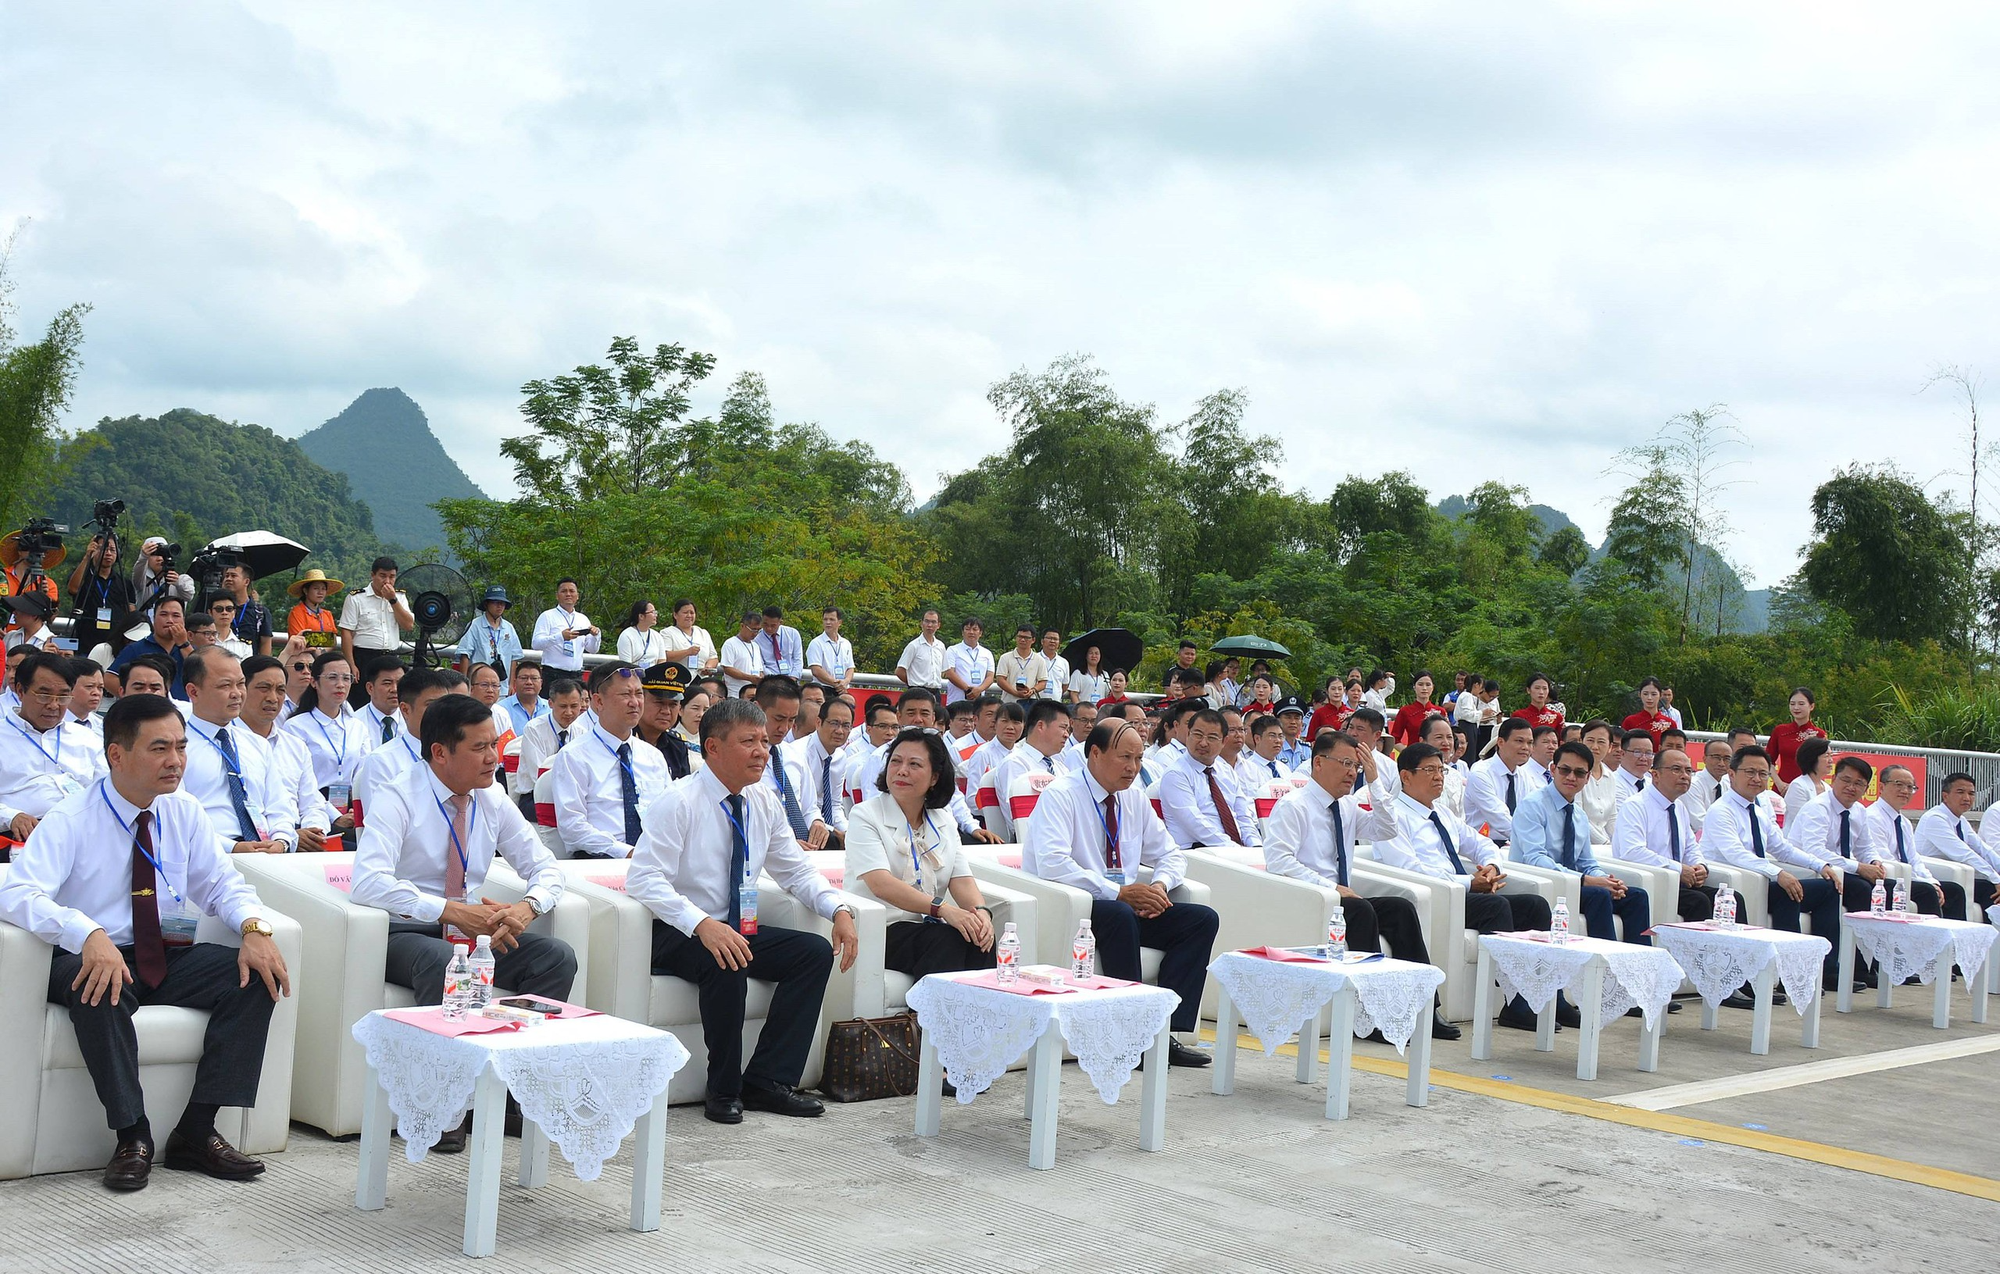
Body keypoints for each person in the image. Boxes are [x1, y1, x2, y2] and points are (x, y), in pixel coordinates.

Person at [0, 693, 291, 1191]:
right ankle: (132, 1136)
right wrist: (84, 931)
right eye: (159, 748)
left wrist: (254, 928)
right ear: (116, 754)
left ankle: (197, 1133)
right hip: (91, 954)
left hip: (166, 951)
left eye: (180, 747)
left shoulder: (185, 811)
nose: (175, 760)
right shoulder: (73, 817)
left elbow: (221, 885)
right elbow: (14, 891)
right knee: (100, 985)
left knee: (254, 977)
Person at [352, 692, 578, 1150]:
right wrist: (452, 911)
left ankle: (516, 1096)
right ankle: (443, 1105)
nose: (494, 757)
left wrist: (525, 908)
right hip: (407, 931)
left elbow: (547, 866)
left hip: (474, 932)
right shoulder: (399, 796)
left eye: (494, 744)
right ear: (440, 752)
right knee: (442, 961)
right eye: (479, 747)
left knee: (555, 957)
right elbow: (367, 883)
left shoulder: (491, 797)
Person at [627, 696, 859, 1124]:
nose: (761, 751)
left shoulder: (762, 801)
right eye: (748, 741)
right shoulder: (679, 801)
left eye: (765, 742)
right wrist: (702, 924)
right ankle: (724, 1089)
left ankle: (768, 1081)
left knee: (810, 953)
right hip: (679, 930)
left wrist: (838, 909)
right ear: (712, 747)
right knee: (727, 959)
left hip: (738, 924)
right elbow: (643, 879)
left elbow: (795, 871)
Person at [1022, 717, 1219, 1067]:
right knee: (1119, 914)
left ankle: (1163, 1033)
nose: (1133, 768)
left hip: (1124, 904)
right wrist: (1119, 892)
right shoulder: (1061, 795)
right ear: (1095, 753)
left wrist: (1158, 887)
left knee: (1200, 920)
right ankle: (1127, 1035)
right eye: (1125, 758)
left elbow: (1170, 853)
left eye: (1139, 759)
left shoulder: (1134, 799)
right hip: (1076, 907)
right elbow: (1052, 864)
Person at [1262, 730, 1460, 1040]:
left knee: (1400, 908)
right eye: (1345, 763)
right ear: (1318, 763)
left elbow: (1386, 827)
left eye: (1355, 765)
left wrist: (1374, 781)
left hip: (1343, 899)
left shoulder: (1347, 805)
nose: (1351, 771)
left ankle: (1423, 1007)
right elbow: (1279, 862)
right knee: (1362, 909)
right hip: (1310, 899)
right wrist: (1329, 888)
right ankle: (1373, 1015)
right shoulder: (1294, 806)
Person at [1366, 742, 1554, 1031]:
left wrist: (1492, 868)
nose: (1438, 776)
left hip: (1461, 892)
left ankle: (1532, 998)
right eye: (1429, 770)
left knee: (1534, 905)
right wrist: (1468, 883)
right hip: (1432, 896)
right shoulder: (1393, 816)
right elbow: (1410, 869)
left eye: (1441, 769)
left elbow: (1481, 843)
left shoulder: (1441, 813)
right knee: (1496, 906)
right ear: (1405, 776)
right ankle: (1514, 1001)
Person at [847, 728, 997, 977]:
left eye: (914, 764)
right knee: (945, 940)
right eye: (896, 761)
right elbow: (880, 884)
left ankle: (982, 1015)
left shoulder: (944, 820)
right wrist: (943, 909)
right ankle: (926, 1016)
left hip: (929, 926)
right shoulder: (865, 815)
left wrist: (981, 915)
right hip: (882, 927)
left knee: (980, 940)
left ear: (935, 777)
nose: (902, 770)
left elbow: (961, 880)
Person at [1699, 745, 1846, 989]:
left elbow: (1782, 848)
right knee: (1788, 893)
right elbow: (1735, 854)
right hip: (1735, 884)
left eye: (1763, 774)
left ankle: (1827, 971)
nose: (1757, 779)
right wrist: (1779, 873)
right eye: (1750, 772)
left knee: (1828, 889)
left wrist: (1820, 865)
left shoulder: (1757, 811)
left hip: (1762, 881)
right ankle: (1788, 975)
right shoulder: (1720, 811)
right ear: (1732, 775)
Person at [1513, 741, 1652, 947]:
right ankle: (1605, 963)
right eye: (1565, 770)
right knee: (1597, 894)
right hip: (1542, 884)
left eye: (1579, 773)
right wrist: (1586, 881)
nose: (1571, 777)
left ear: (1588, 778)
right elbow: (1535, 859)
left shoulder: (1578, 814)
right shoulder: (1533, 805)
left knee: (1636, 896)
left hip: (1574, 884)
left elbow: (1587, 862)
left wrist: (1607, 880)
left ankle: (1638, 966)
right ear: (1553, 769)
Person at [177, 648, 295, 854]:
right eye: (225, 685)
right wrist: (234, 848)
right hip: (209, 856)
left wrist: (281, 841)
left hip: (268, 857)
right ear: (193, 692)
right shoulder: (177, 748)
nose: (237, 693)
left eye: (241, 684)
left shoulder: (257, 745)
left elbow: (280, 808)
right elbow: (178, 818)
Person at [550, 662, 672, 859]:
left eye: (639, 694)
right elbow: (572, 827)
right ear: (598, 702)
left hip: (653, 859)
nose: (635, 702)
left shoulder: (653, 757)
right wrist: (626, 852)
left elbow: (669, 814)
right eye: (625, 695)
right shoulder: (574, 756)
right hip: (601, 859)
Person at [0, 652, 110, 844]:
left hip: (83, 831)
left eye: (63, 697)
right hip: (21, 835)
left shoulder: (86, 738)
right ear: (20, 691)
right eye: (44, 695)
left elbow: (108, 788)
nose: (53, 705)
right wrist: (11, 816)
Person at [238, 655, 331, 852]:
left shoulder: (295, 746)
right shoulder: (227, 743)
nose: (273, 698)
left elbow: (313, 803)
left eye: (280, 690)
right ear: (241, 689)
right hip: (254, 844)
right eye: (264, 688)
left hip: (301, 842)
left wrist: (314, 831)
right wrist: (289, 837)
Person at [1612, 746, 1715, 922]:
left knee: (1730, 897)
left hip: (1678, 882)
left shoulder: (1679, 807)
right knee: (1698, 901)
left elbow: (1691, 846)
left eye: (1688, 771)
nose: (1684, 776)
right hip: (1652, 882)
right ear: (1655, 775)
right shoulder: (1636, 806)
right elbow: (1632, 852)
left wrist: (1700, 866)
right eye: (1676, 769)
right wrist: (1678, 869)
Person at [352, 665, 464, 812]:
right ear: (405, 709)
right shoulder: (382, 761)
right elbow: (382, 823)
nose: (441, 712)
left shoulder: (460, 752)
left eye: (444, 705)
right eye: (431, 705)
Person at [1865, 764, 1963, 918]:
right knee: (1927, 891)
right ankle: (1930, 941)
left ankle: (1954, 940)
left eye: (1910, 787)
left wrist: (1932, 881)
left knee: (1954, 890)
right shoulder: (1872, 817)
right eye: (1899, 784)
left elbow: (1914, 859)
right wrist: (1924, 883)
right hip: (1886, 879)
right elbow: (1884, 859)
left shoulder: (1904, 822)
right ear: (1882, 787)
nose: (1905, 791)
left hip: (1907, 878)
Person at [281, 652, 370, 813]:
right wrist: (334, 816)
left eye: (346, 678)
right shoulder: (295, 727)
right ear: (314, 682)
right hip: (311, 809)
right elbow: (298, 782)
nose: (340, 684)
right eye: (332, 677)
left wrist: (355, 810)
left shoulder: (358, 727)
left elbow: (363, 775)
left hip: (351, 807)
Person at [1160, 708, 1259, 850]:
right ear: (1188, 734)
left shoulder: (1226, 771)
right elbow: (1195, 823)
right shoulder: (1176, 774)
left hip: (1234, 852)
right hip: (1197, 852)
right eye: (1198, 735)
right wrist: (1235, 849)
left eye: (1212, 737)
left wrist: (1255, 845)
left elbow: (1243, 816)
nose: (1203, 743)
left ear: (1224, 741)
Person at [752, 677, 829, 853]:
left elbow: (809, 807)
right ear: (757, 709)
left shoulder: (794, 755)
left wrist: (817, 822)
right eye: (778, 719)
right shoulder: (742, 759)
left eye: (791, 720)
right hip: (767, 853)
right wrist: (785, 844)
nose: (784, 727)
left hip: (806, 852)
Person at [986, 699, 1069, 842]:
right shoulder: (1015, 763)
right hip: (1035, 845)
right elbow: (1020, 820)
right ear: (1041, 726)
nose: (1066, 735)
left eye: (1068, 730)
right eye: (1063, 727)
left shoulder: (1060, 767)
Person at [337, 558, 413, 706]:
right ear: (373, 575)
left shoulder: (400, 597)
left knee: (390, 701)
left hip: (391, 655)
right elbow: (346, 632)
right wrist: (351, 664)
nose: (387, 581)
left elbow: (408, 625)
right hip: (364, 656)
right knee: (360, 701)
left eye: (392, 577)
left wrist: (393, 600)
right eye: (382, 576)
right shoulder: (356, 598)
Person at [1920, 773, 2000, 913]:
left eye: (1971, 793)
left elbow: (1983, 849)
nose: (1966, 798)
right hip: (1934, 876)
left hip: (1957, 875)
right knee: (1990, 889)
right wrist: (1995, 879)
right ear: (1945, 796)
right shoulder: (1935, 818)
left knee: (1989, 887)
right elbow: (1964, 854)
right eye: (1960, 792)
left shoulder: (1961, 821)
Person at [513, 676, 589, 820]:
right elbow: (539, 776)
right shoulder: (534, 729)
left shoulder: (582, 732)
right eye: (563, 706)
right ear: (550, 703)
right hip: (536, 796)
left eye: (574, 706)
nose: (569, 712)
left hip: (572, 796)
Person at [789, 692, 854, 849]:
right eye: (834, 723)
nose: (840, 731)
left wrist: (849, 833)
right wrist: (833, 832)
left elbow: (834, 805)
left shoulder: (840, 757)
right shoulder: (798, 753)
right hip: (798, 827)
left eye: (846, 726)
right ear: (818, 722)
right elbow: (795, 808)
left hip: (824, 829)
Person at [65, 531, 140, 655]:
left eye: (112, 550)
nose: (108, 553)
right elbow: (73, 589)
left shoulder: (124, 582)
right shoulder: (82, 575)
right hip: (85, 644)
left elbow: (131, 612)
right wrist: (87, 557)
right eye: (103, 548)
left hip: (115, 646)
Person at [1464, 717, 1535, 846]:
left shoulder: (1524, 775)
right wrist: (1532, 841)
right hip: (1481, 846)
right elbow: (1499, 818)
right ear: (1501, 742)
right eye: (1519, 741)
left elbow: (1534, 812)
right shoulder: (1480, 773)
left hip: (1515, 843)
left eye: (1530, 743)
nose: (1526, 747)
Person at [110, 598, 193, 698]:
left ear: (183, 620)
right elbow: (110, 678)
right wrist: (133, 698)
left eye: (176, 616)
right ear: (153, 619)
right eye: (163, 615)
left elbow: (201, 672)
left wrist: (183, 644)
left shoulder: (189, 649)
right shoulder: (136, 648)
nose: (170, 620)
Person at [530, 578, 601, 677]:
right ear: (557, 596)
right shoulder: (547, 616)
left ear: (577, 596)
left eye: (572, 591)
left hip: (576, 674)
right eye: (564, 591)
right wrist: (560, 637)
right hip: (553, 673)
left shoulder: (583, 619)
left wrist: (596, 636)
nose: (568, 594)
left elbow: (592, 649)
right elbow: (536, 644)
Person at [636, 663, 694, 780]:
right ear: (641, 700)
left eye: (673, 704)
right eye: (659, 703)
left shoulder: (677, 747)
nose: (666, 711)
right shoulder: (624, 741)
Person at [1766, 687, 1825, 792]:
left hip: (1807, 789)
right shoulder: (1780, 731)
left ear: (1811, 706)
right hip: (1781, 787)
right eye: (1792, 704)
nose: (1796, 708)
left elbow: (1822, 765)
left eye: (1801, 704)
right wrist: (1779, 783)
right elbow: (1768, 760)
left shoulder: (1819, 734)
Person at [456, 586, 523, 675]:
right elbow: (464, 654)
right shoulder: (474, 625)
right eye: (495, 602)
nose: (499, 606)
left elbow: (514, 658)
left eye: (502, 603)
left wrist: (510, 685)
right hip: (479, 682)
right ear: (486, 604)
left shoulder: (509, 627)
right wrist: (465, 683)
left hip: (502, 685)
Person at [216, 564, 273, 658]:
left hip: (249, 665)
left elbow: (265, 644)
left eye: (233, 576)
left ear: (246, 581)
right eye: (226, 576)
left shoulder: (260, 612)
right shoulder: (218, 609)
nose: (228, 579)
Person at [354, 656, 406, 750]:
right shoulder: (355, 723)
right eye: (387, 683)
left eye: (400, 683)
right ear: (370, 688)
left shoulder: (413, 722)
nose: (394, 689)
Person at [130, 537, 195, 612]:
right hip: (146, 623)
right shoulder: (143, 579)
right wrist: (143, 556)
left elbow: (189, 596)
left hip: (172, 623)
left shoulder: (182, 579)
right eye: (154, 554)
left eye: (163, 554)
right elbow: (137, 575)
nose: (159, 558)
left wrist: (178, 583)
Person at [894, 609, 948, 695]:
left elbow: (944, 670)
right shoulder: (914, 646)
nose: (930, 625)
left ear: (938, 625)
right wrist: (913, 683)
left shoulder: (941, 646)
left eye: (933, 622)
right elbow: (899, 671)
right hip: (917, 691)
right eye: (927, 621)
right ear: (921, 623)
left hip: (936, 691)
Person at [1782, 736, 1833, 828]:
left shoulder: (1828, 788)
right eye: (1826, 756)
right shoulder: (1798, 786)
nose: (1831, 760)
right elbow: (1800, 819)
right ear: (1812, 758)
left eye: (1831, 755)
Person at [1685, 738, 1732, 836]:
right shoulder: (1693, 785)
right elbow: (1700, 823)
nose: (1721, 763)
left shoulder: (1728, 785)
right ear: (1704, 759)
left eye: (1727, 759)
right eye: (1716, 757)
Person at [283, 569, 343, 644]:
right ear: (305, 591)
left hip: (325, 654)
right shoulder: (297, 612)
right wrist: (326, 639)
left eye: (323, 589)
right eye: (316, 588)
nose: (320, 592)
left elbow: (333, 640)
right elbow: (300, 640)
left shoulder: (327, 614)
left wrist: (321, 649)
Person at [944, 617, 995, 705]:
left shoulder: (987, 653)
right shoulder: (953, 650)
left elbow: (990, 677)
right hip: (956, 700)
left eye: (975, 629)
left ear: (980, 633)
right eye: (967, 629)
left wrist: (978, 690)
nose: (971, 632)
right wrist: (968, 690)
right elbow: (949, 673)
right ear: (962, 632)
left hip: (978, 702)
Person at [717, 611, 767, 698]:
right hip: (735, 692)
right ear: (742, 626)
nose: (755, 633)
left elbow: (760, 669)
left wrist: (761, 678)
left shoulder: (755, 646)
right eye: (753, 629)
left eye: (758, 630)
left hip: (753, 693)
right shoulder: (730, 643)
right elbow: (727, 668)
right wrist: (749, 678)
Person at [662, 599, 719, 676]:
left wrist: (708, 667)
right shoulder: (667, 633)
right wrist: (687, 652)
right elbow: (664, 656)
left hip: (701, 679)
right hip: (678, 678)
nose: (689, 616)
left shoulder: (703, 633)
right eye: (685, 613)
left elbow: (713, 657)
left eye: (692, 613)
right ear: (675, 615)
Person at [806, 607, 855, 692]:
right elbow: (816, 670)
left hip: (843, 689)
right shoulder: (816, 643)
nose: (828, 622)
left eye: (832, 619)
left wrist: (845, 682)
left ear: (839, 622)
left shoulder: (846, 643)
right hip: (823, 688)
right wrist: (836, 683)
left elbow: (850, 668)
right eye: (825, 619)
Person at [994, 625, 1047, 704]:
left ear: (1033, 640)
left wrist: (1032, 690)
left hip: (1029, 703)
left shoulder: (1039, 660)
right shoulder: (1005, 658)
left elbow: (1043, 682)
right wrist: (1015, 693)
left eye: (1026, 637)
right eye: (1020, 636)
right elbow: (1000, 680)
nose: (1022, 640)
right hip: (1009, 702)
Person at [1388, 670, 1439, 748]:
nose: (1424, 688)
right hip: (1414, 757)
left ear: (1433, 687)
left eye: (1428, 684)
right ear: (1414, 687)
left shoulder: (1440, 712)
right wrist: (1408, 753)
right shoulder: (1405, 711)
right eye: (1420, 684)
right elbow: (1395, 738)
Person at [1620, 677, 1675, 748]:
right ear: (1640, 695)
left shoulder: (1670, 724)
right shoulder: (1630, 721)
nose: (1649, 698)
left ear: (1660, 695)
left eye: (1654, 694)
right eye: (1645, 694)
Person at [756, 607, 806, 681]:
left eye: (773, 625)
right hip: (770, 680)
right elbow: (761, 665)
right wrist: (776, 680)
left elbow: (798, 659)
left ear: (780, 622)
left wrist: (793, 678)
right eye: (765, 624)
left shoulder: (792, 634)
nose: (769, 628)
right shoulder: (756, 639)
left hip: (791, 679)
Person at [498, 661, 547, 735]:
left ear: (541, 683)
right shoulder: (501, 709)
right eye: (524, 678)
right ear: (515, 682)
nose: (529, 682)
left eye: (534, 678)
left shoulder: (551, 708)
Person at [67, 657, 107, 741]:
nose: (96, 693)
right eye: (89, 687)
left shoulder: (103, 726)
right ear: (69, 687)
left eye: (100, 687)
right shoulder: (50, 723)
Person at [1274, 697, 1312, 771]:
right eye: (1288, 717)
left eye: (1297, 718)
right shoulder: (1273, 748)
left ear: (1301, 722)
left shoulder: (1307, 749)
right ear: (1278, 721)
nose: (1293, 722)